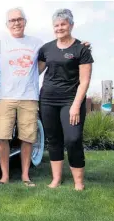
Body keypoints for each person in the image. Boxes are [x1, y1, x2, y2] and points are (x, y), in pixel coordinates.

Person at [0, 7, 44, 187]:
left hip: (29, 97)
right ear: (7, 24)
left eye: (19, 19)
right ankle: (4, 176)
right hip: (6, 97)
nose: (16, 23)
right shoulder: (1, 42)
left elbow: (47, 60)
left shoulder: (36, 43)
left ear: (25, 22)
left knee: (28, 137)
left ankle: (25, 176)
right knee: (2, 136)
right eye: (12, 20)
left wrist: (32, 75)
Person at [37, 9, 93, 191]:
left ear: (71, 25)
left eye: (63, 24)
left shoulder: (81, 49)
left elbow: (84, 81)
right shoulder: (46, 49)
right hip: (47, 100)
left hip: (71, 100)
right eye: (56, 25)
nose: (59, 28)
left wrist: (76, 105)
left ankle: (78, 181)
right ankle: (56, 179)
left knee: (73, 139)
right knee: (53, 140)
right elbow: (34, 71)